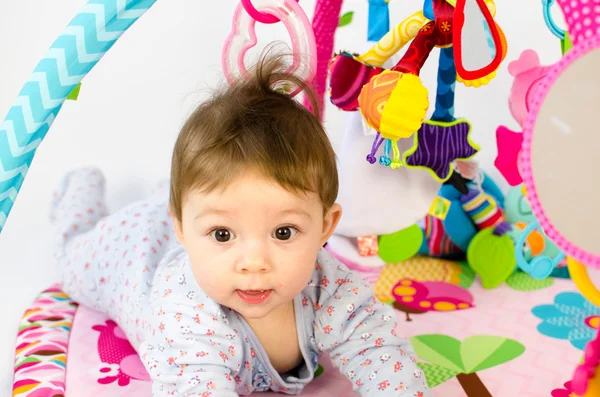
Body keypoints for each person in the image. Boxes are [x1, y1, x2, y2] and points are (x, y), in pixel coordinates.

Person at [50, 51, 431, 396]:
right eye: (224, 235)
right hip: (133, 253)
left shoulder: (327, 285)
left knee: (215, 203)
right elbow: (196, 387)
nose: (254, 262)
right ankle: (82, 189)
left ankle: (184, 206)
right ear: (182, 227)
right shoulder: (185, 313)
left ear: (325, 226)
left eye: (284, 232)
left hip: (189, 221)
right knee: (72, 262)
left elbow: (378, 351)